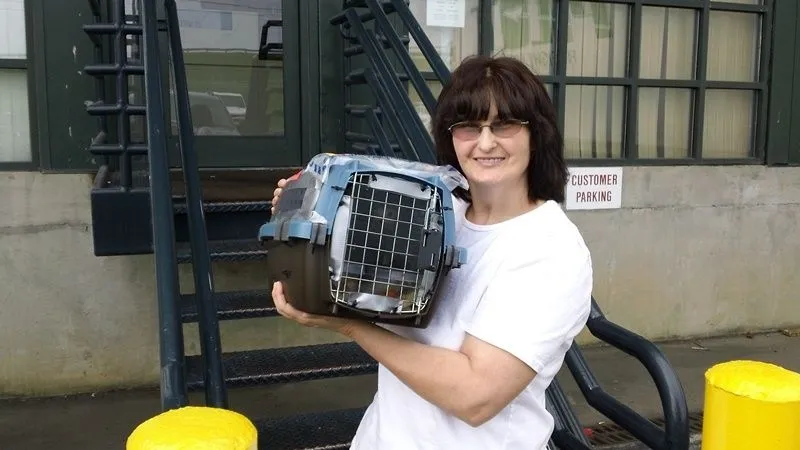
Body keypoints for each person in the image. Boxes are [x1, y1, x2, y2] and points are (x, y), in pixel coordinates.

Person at [270, 55, 593, 450]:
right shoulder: (437, 211)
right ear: (449, 136)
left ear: (536, 134)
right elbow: (352, 265)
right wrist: (301, 212)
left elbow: (475, 395)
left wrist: (349, 326)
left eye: (504, 125)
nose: (486, 142)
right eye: (469, 127)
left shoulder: (549, 249)